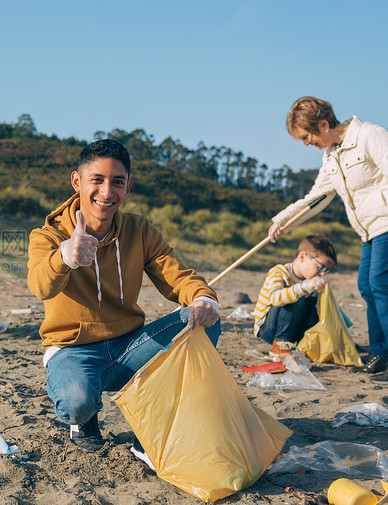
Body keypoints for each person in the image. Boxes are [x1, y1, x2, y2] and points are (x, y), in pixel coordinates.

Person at [27, 139, 221, 454]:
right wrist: (64, 256)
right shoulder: (49, 235)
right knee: (77, 402)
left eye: (117, 182)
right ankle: (85, 419)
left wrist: (202, 296)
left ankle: (156, 421)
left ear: (127, 187)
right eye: (97, 180)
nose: (107, 192)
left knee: (203, 320)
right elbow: (40, 285)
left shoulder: (139, 230)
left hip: (130, 347)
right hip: (73, 351)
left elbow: (176, 276)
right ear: (77, 182)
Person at [269, 96, 388, 382]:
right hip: (367, 230)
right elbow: (315, 199)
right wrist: (282, 221)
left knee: (379, 283)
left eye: (306, 135)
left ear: (323, 124)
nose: (306, 142)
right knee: (366, 286)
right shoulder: (331, 156)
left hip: (385, 221)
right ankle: (381, 353)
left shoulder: (370, 135)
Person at [253, 234, 337, 359]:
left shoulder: (310, 280)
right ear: (302, 257)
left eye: (326, 269)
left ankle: (305, 343)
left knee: (315, 297)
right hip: (269, 329)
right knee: (296, 296)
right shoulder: (278, 272)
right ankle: (280, 344)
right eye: (320, 267)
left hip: (293, 328)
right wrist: (302, 287)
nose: (322, 273)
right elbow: (275, 299)